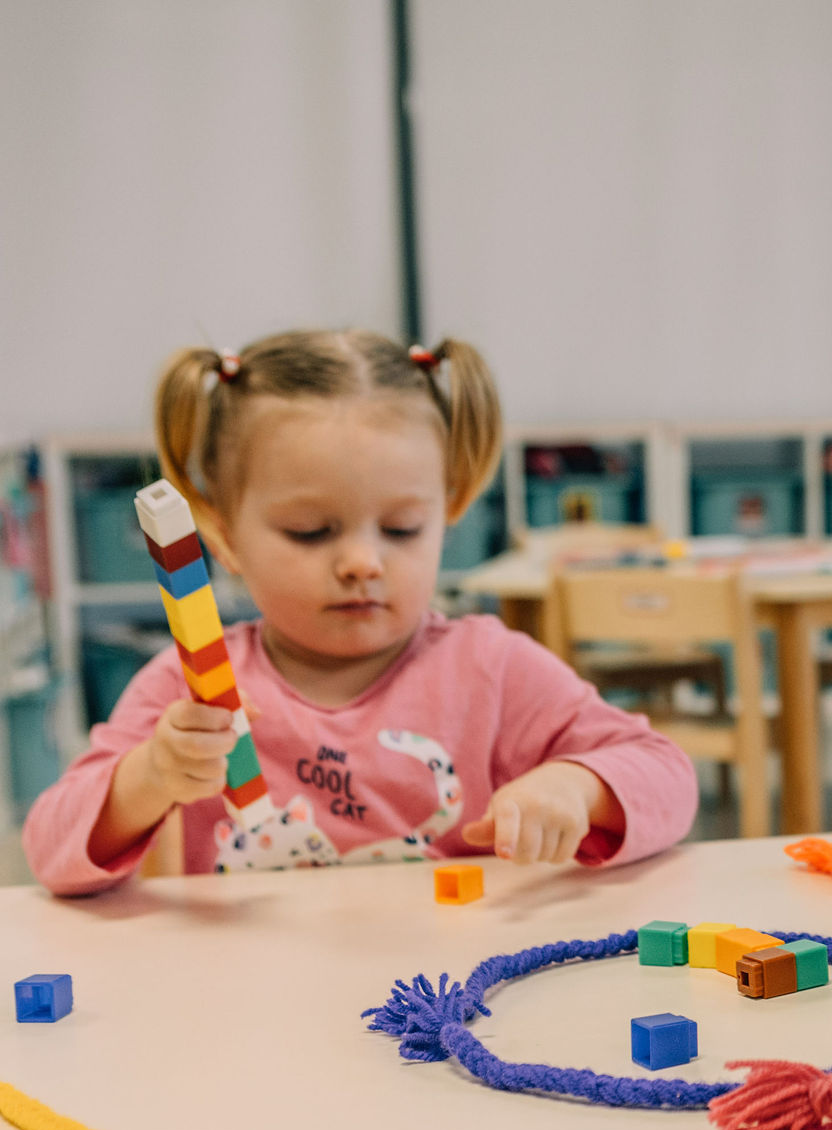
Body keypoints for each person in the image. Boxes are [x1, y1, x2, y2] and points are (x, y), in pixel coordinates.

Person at [26, 328, 697, 892]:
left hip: (449, 992)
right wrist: (147, 779)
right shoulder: (190, 685)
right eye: (311, 532)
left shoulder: (491, 668)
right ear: (223, 535)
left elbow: (667, 774)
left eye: (402, 528)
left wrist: (578, 786)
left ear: (447, 513)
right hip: (255, 991)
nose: (362, 562)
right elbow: (48, 850)